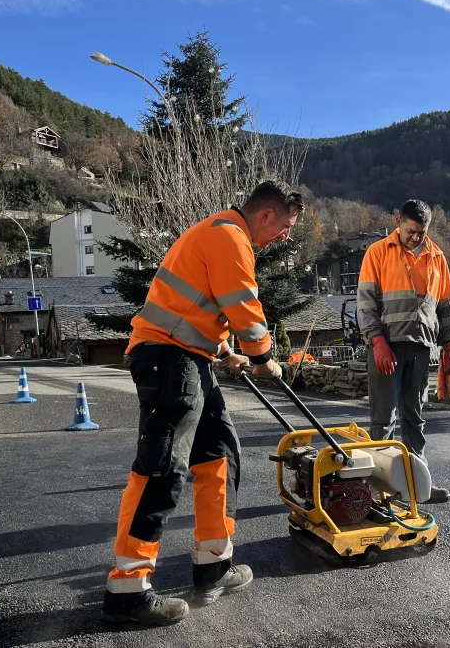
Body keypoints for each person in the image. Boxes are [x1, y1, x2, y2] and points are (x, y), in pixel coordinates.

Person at [101, 181, 301, 627]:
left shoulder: (221, 233)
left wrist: (226, 352)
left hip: (189, 357)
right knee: (161, 467)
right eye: (284, 226)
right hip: (167, 358)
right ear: (265, 215)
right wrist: (263, 357)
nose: (284, 236)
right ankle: (127, 588)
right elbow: (243, 304)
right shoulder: (230, 236)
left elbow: (204, 303)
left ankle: (214, 564)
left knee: (219, 455)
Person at [357, 199, 450, 504]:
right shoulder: (377, 252)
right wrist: (377, 342)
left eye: (422, 232)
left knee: (415, 416)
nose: (416, 237)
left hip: (421, 346)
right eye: (411, 231)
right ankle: (378, 486)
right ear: (397, 220)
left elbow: (446, 304)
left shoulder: (436, 256)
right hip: (386, 345)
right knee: (384, 417)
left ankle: (417, 480)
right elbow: (366, 303)